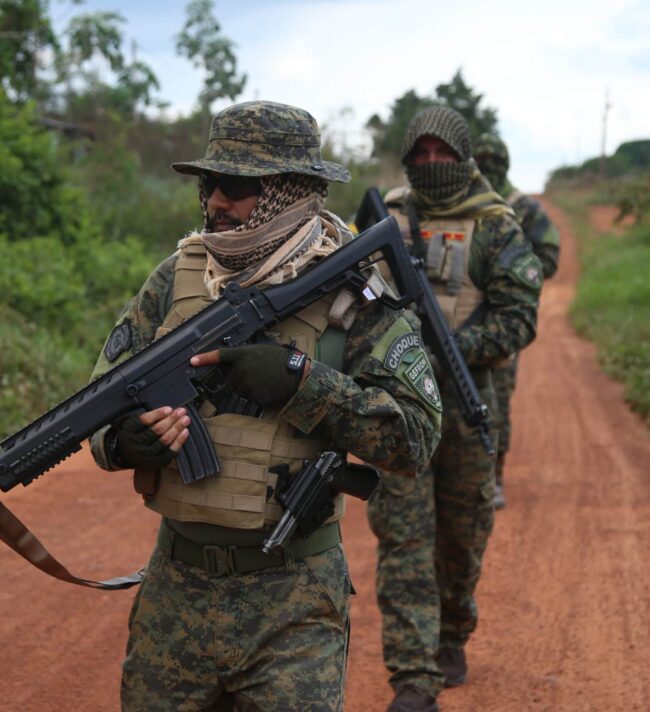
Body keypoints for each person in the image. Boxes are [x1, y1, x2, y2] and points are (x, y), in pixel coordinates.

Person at [87, 101, 442, 712]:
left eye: (238, 186)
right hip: (176, 592)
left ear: (291, 191)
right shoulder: (176, 279)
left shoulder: (352, 295)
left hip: (295, 604)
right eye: (210, 183)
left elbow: (414, 439)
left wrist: (302, 384)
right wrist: (122, 440)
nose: (217, 202)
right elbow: (101, 400)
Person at [367, 106, 543, 712]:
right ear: (408, 157)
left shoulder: (495, 224)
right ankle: (414, 676)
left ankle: (452, 632)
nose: (431, 163)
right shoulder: (383, 216)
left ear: (464, 155)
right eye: (421, 153)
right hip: (400, 410)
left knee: (462, 538)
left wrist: (451, 348)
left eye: (443, 152)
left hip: (469, 406)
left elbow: (520, 317)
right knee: (403, 538)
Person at [474, 133, 561, 509]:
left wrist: (515, 278)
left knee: (498, 399)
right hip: (461, 315)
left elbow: (550, 256)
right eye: (483, 161)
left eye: (494, 162)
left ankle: (494, 477)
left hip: (503, 321)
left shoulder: (522, 209)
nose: (488, 168)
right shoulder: (466, 204)